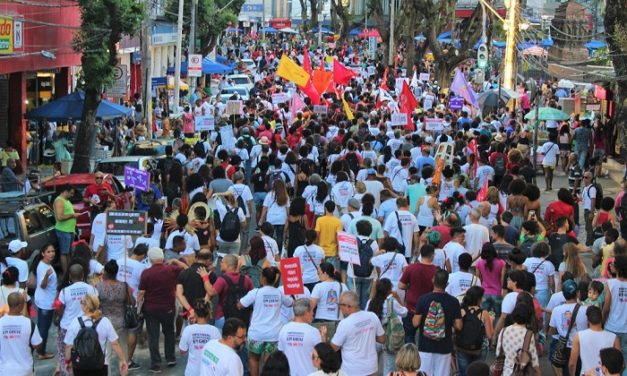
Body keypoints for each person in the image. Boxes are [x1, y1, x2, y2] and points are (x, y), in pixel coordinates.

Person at [137, 247, 186, 373]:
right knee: (169, 332)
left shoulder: (146, 273)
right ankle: (170, 358)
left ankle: (156, 364)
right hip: (168, 307)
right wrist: (175, 261)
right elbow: (187, 268)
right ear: (162, 258)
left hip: (150, 308)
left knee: (153, 335)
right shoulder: (171, 269)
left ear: (150, 259)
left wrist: (137, 305)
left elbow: (141, 292)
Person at [239, 266, 292, 376]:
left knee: (254, 360)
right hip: (274, 334)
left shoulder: (256, 292)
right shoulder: (279, 293)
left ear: (262, 278)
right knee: (270, 364)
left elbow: (241, 305)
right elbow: (291, 303)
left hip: (256, 334)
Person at [411, 269, 462, 376]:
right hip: (444, 347)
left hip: (425, 346)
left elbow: (415, 323)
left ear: (433, 280)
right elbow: (459, 325)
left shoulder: (423, 299)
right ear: (447, 284)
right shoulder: (454, 301)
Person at [63, 294, 128, 376]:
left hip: (80, 364)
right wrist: (122, 360)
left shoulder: (75, 322)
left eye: (81, 302)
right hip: (100, 364)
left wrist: (67, 362)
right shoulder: (104, 321)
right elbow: (115, 343)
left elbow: (69, 346)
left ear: (86, 306)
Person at [57, 264, 99, 375]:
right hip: (87, 325)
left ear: (70, 276)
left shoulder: (64, 291)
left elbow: (59, 308)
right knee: (87, 352)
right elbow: (96, 305)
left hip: (67, 326)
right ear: (83, 275)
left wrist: (61, 316)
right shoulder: (92, 289)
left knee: (64, 352)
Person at [330, 291, 385, 375]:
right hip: (372, 368)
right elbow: (382, 339)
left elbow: (333, 348)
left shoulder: (344, 324)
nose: (339, 308)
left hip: (352, 371)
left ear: (348, 306)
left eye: (340, 304)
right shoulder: (372, 316)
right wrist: (367, 333)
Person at [95, 260, 133, 376]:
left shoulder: (98, 286)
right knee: (123, 352)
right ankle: (124, 373)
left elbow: (95, 305)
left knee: (106, 355)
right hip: (121, 322)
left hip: (104, 323)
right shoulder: (124, 286)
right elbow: (132, 301)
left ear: (105, 272)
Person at [365, 278, 408, 375]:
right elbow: (405, 312)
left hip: (373, 338)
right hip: (389, 338)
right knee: (388, 368)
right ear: (389, 290)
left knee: (372, 368)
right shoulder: (392, 302)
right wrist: (397, 297)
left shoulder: (370, 302)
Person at [399, 244, 439, 344]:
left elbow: (401, 285)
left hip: (411, 307)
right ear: (432, 255)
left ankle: (410, 357)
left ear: (421, 254)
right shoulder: (436, 271)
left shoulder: (411, 268)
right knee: (425, 336)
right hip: (429, 308)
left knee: (409, 336)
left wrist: (410, 286)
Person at [549, 279, 589, 376]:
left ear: (563, 294)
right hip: (581, 347)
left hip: (564, 347)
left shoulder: (556, 310)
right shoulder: (586, 309)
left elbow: (553, 331)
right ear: (578, 293)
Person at [568, 306, 620, 376]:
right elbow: (619, 363)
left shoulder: (579, 336)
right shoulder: (614, 338)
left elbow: (572, 364)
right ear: (601, 318)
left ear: (587, 319)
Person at [278, 299, 323, 376]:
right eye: (312, 311)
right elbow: (322, 355)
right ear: (306, 313)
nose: (313, 313)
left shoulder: (284, 329)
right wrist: (323, 336)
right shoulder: (313, 332)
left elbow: (281, 353)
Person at [456, 286, 494, 376]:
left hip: (462, 347)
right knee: (478, 373)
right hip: (479, 348)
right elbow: (490, 335)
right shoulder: (484, 313)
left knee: (463, 373)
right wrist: (491, 321)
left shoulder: (461, 310)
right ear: (478, 299)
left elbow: (456, 328)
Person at [0, 292, 41, 374]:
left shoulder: (0, 322)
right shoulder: (29, 323)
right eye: (23, 303)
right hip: (25, 370)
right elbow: (37, 345)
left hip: (5, 371)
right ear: (19, 306)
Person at [495, 303, 541, 376]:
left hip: (506, 371)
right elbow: (534, 359)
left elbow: (498, 352)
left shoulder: (504, 330)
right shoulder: (528, 334)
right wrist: (538, 373)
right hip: (521, 371)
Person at [179, 299, 221, 376]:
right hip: (210, 372)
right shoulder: (215, 331)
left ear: (195, 313)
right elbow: (219, 353)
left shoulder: (188, 329)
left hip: (192, 372)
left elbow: (182, 351)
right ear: (209, 313)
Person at [602, 254, 627, 374]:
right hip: (626, 329)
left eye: (613, 263)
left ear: (618, 267)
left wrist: (601, 322)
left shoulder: (611, 284)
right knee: (625, 360)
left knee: (611, 361)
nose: (610, 264)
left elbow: (606, 308)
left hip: (611, 327)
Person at [310, 263, 348, 341]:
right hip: (338, 320)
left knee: (323, 347)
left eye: (319, 273)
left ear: (325, 273)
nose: (318, 276)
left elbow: (311, 305)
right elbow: (347, 304)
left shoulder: (318, 287)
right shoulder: (342, 286)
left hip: (321, 320)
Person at [176, 249, 216, 322]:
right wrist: (198, 311)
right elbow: (208, 295)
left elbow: (179, 294)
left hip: (188, 315)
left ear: (197, 258)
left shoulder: (184, 273)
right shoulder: (210, 275)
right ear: (209, 260)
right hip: (203, 315)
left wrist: (191, 310)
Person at [54, 184, 81, 273]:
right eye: (71, 193)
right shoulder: (59, 201)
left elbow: (69, 210)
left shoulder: (66, 200)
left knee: (69, 252)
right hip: (63, 230)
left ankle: (70, 270)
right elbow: (60, 217)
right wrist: (73, 215)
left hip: (69, 230)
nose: (72, 195)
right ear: (65, 191)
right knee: (64, 252)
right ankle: (66, 272)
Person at [476, 243, 506, 319]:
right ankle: (496, 330)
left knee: (483, 317)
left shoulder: (479, 263)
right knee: (498, 317)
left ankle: (485, 330)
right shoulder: (501, 263)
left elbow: (478, 278)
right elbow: (502, 280)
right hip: (497, 293)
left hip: (484, 292)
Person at [315, 201, 343, 270]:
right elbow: (339, 238)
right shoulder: (338, 221)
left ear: (325, 208)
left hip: (320, 250)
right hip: (332, 251)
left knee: (321, 271)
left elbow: (317, 235)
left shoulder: (319, 220)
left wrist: (315, 246)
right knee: (331, 273)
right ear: (334, 209)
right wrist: (339, 251)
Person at [582, 172, 598, 246]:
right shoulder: (585, 188)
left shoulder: (592, 188)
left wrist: (592, 212)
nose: (584, 179)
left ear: (591, 179)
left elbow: (593, 200)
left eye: (586, 177)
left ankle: (589, 243)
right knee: (588, 227)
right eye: (583, 177)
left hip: (589, 211)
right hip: (586, 210)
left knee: (589, 228)